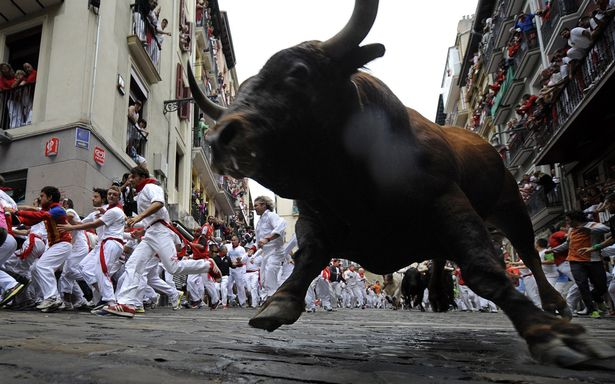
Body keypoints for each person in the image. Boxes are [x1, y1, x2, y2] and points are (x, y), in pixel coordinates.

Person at [102, 166, 219, 318]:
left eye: (133, 177)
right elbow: (149, 220)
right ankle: (127, 303)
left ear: (142, 176)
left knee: (173, 268)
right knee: (133, 264)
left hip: (161, 232)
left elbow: (158, 204)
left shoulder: (151, 186)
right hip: (151, 233)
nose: (130, 180)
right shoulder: (141, 193)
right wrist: (138, 225)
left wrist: (138, 218)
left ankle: (207, 264)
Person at [59, 187, 126, 310]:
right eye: (109, 193)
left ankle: (111, 302)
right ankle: (104, 296)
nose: (92, 199)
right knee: (84, 268)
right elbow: (82, 224)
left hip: (110, 243)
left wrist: (70, 226)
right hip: (102, 245)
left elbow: (94, 224)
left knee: (101, 272)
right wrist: (69, 221)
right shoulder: (99, 212)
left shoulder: (113, 211)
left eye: (114, 194)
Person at [9, 186, 73, 312]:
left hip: (63, 244)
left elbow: (39, 214)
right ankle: (52, 297)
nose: (40, 198)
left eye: (42, 195)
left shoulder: (58, 210)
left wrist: (15, 211)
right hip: (57, 245)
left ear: (49, 197)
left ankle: (52, 297)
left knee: (42, 266)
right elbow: (30, 220)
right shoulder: (49, 211)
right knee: (35, 268)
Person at [547, 210, 610, 318]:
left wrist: (587, 229)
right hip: (575, 261)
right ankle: (592, 310)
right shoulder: (571, 230)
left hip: (593, 260)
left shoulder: (592, 225)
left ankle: (597, 298)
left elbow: (606, 229)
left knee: (601, 285)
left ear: (575, 219)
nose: (567, 223)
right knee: (582, 285)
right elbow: (567, 244)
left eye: (568, 220)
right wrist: (554, 250)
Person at [254, 195, 287, 301]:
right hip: (265, 252)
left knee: (270, 270)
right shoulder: (259, 222)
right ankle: (273, 295)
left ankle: (273, 298)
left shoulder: (271, 216)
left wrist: (267, 239)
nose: (254, 208)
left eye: (256, 205)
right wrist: (253, 248)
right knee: (263, 279)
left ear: (264, 205)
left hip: (276, 250)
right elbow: (259, 240)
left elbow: (281, 227)